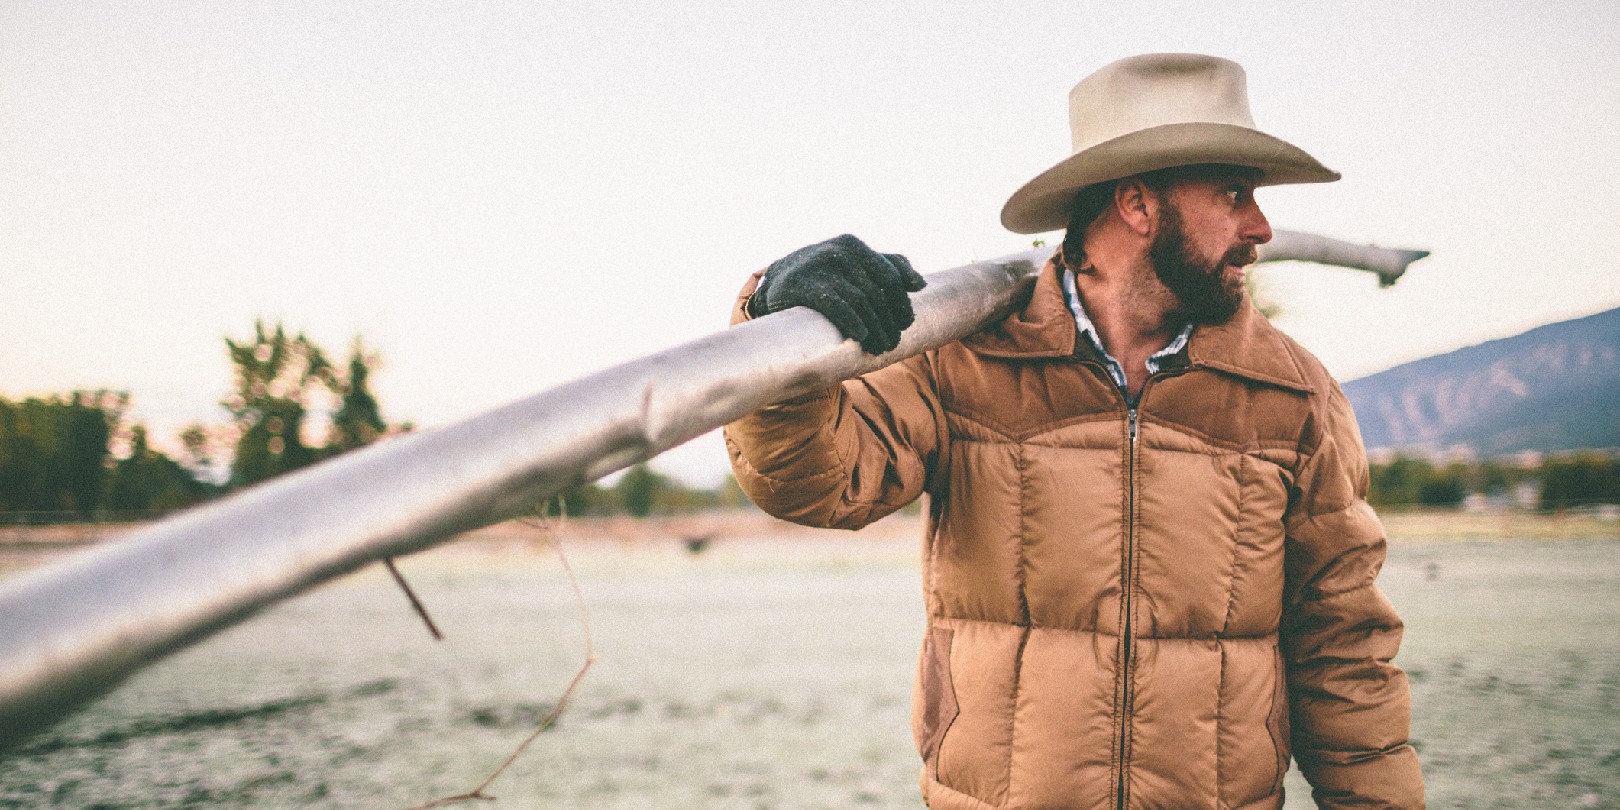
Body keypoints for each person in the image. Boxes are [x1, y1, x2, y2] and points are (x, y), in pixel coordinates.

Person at [724, 53, 1424, 809]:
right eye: (1233, 194)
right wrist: (773, 323)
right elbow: (814, 484)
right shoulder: (963, 361)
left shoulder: (1293, 394)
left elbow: (1343, 648)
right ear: (1137, 205)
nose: (1260, 227)